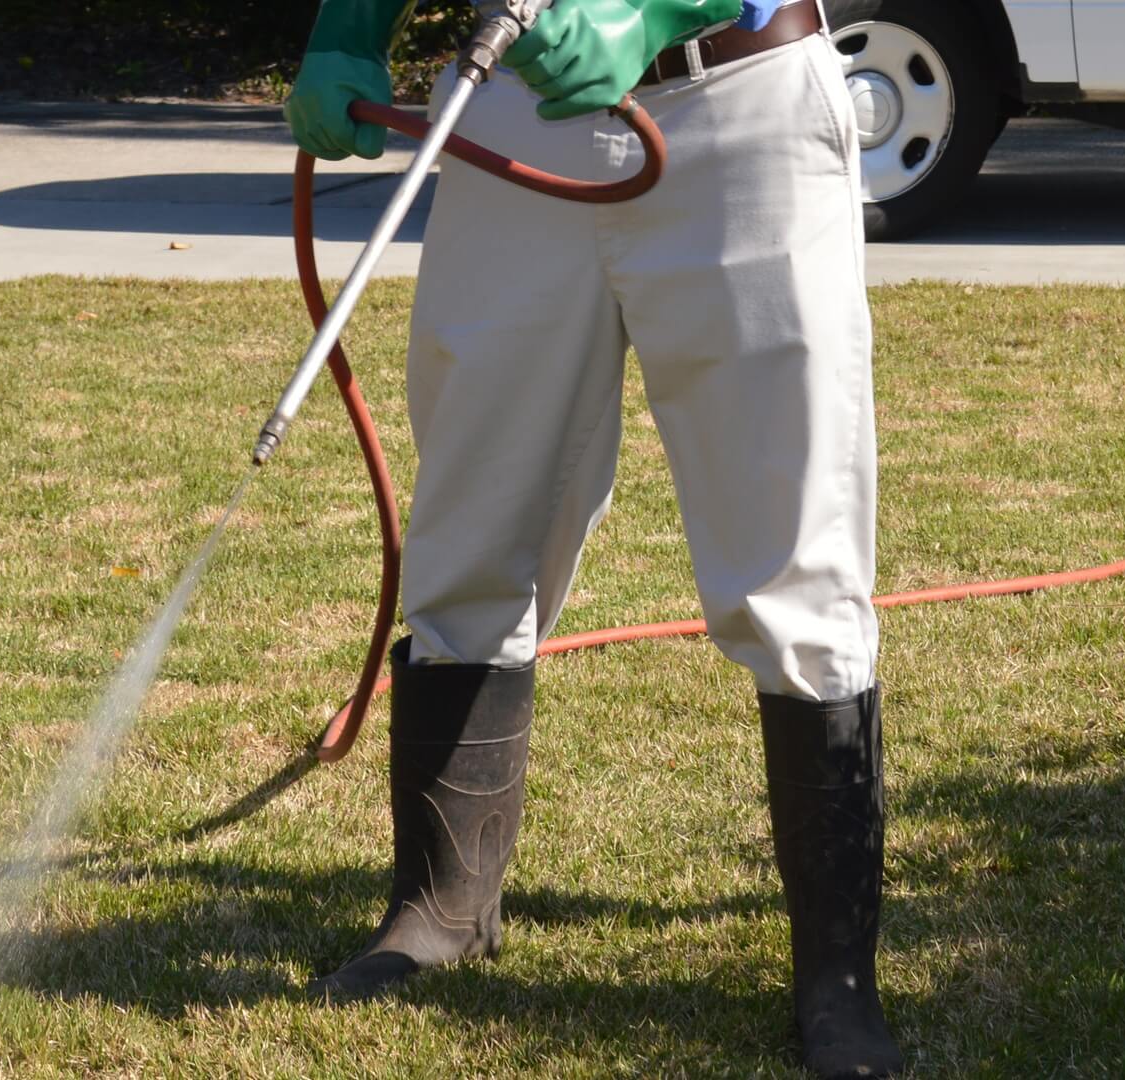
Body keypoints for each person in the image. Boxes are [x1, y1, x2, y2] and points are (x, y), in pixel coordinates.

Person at [284, 1, 900, 1077]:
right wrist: (349, 25)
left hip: (738, 108)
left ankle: (837, 978)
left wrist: (661, 4)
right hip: (513, 115)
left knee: (792, 544)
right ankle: (440, 906)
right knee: (476, 508)